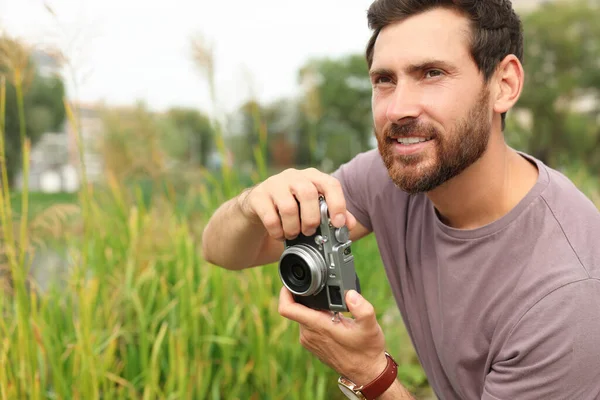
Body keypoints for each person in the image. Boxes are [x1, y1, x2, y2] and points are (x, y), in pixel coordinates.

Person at [202, 0, 600, 398]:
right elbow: (223, 252)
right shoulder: (395, 173)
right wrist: (251, 204)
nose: (398, 109)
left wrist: (370, 373)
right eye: (384, 80)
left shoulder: (567, 295)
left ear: (504, 84)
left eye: (432, 73)